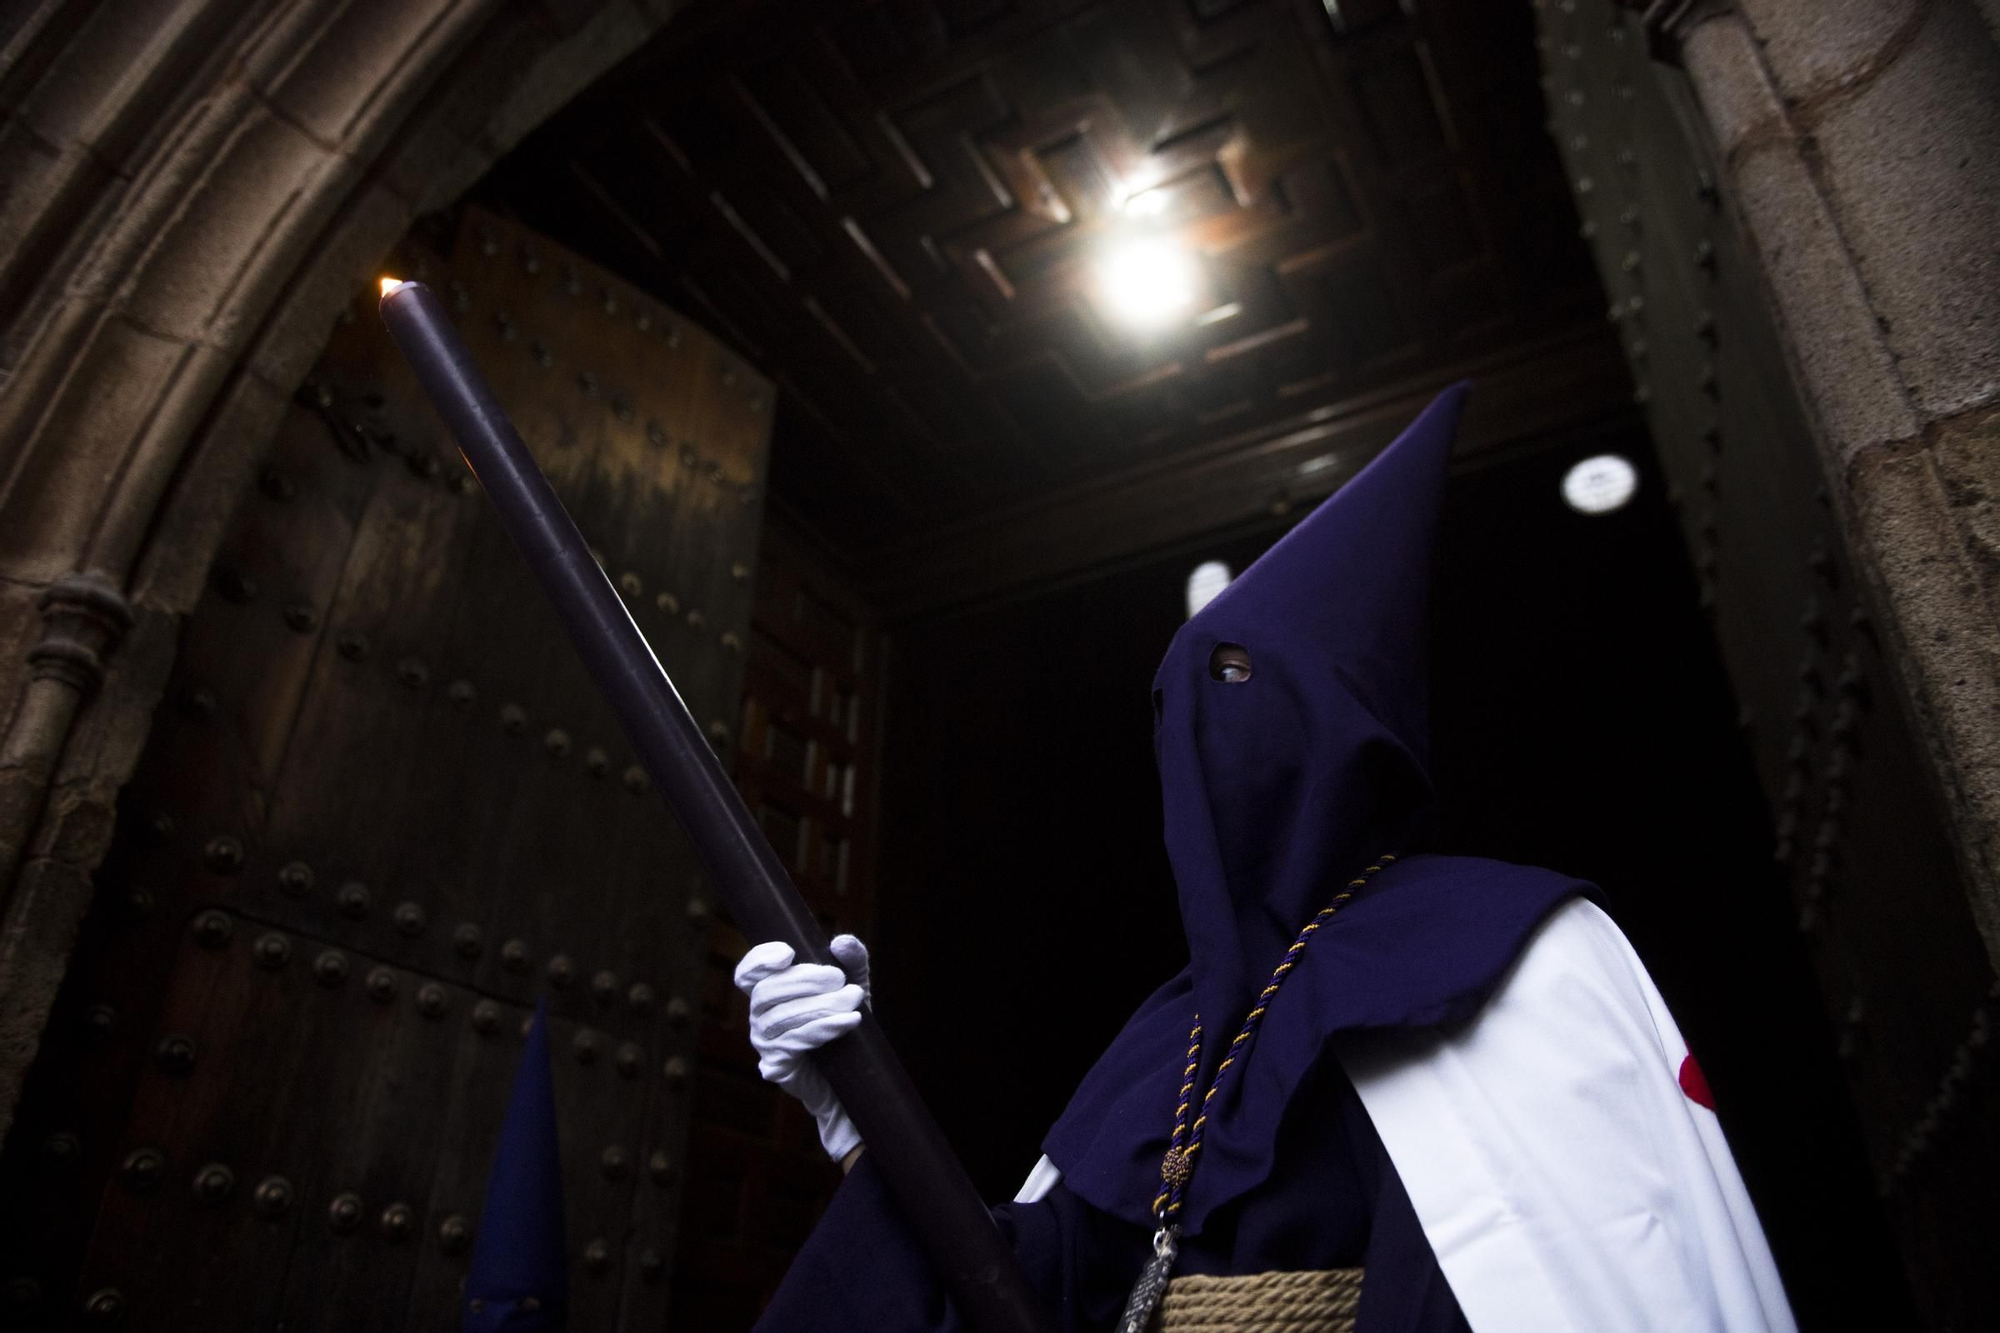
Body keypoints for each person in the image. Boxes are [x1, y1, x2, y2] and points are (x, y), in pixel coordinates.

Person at [735, 385, 1797, 1332]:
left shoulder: (1510, 947)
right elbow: (1018, 1286)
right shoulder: (1168, 1036)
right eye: (1177, 706)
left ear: (1352, 727)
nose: (1202, 735)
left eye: (1240, 681)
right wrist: (856, 1107)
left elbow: (1562, 1271)